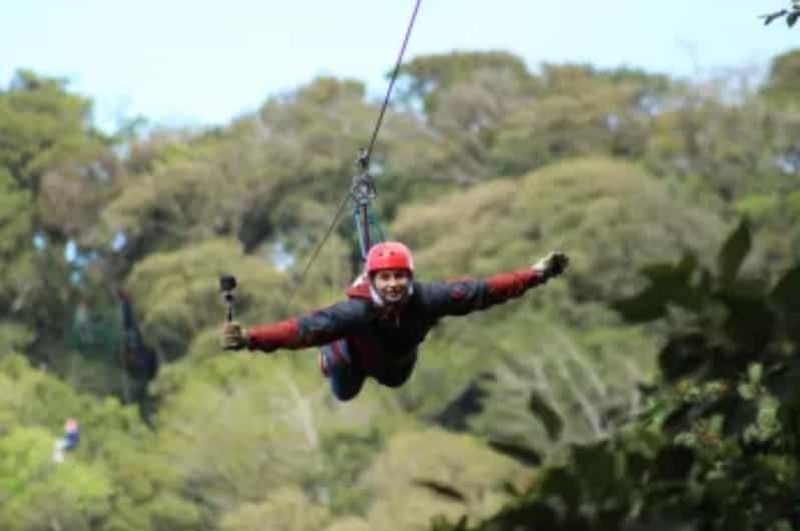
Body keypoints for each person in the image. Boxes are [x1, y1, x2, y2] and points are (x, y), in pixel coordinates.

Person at [222, 242, 568, 401]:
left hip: (396, 366)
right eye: (384, 278)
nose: (392, 285)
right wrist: (251, 338)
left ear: (410, 277)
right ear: (372, 280)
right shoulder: (355, 311)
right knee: (344, 391)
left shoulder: (429, 299)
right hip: (354, 358)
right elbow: (302, 330)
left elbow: (488, 291)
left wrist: (537, 274)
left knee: (395, 377)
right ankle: (332, 356)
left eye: (399, 277)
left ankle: (347, 354)